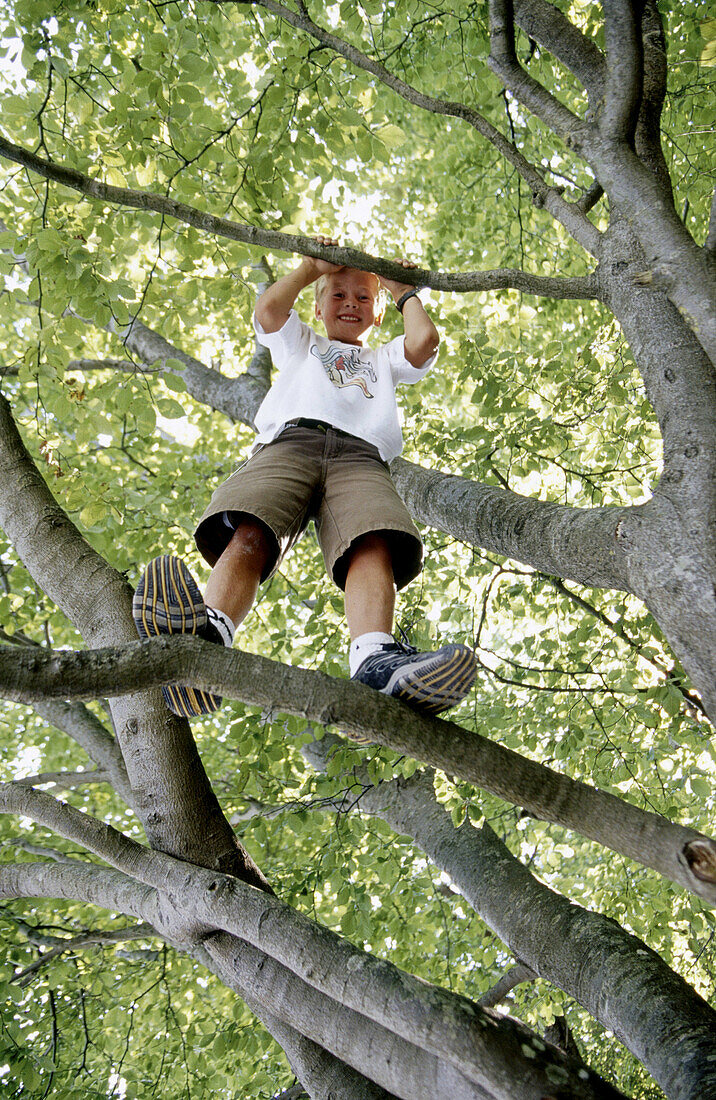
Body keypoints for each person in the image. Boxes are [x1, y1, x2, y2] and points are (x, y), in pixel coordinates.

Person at [133, 237, 477, 719]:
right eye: (338, 295)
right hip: (291, 444)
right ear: (318, 307)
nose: (351, 303)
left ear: (377, 315)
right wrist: (310, 268)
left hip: (361, 459)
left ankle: (375, 660)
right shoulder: (302, 344)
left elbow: (423, 342)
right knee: (253, 526)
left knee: (372, 539)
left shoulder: (382, 359)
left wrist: (404, 292)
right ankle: (208, 639)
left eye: (363, 297)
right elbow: (271, 309)